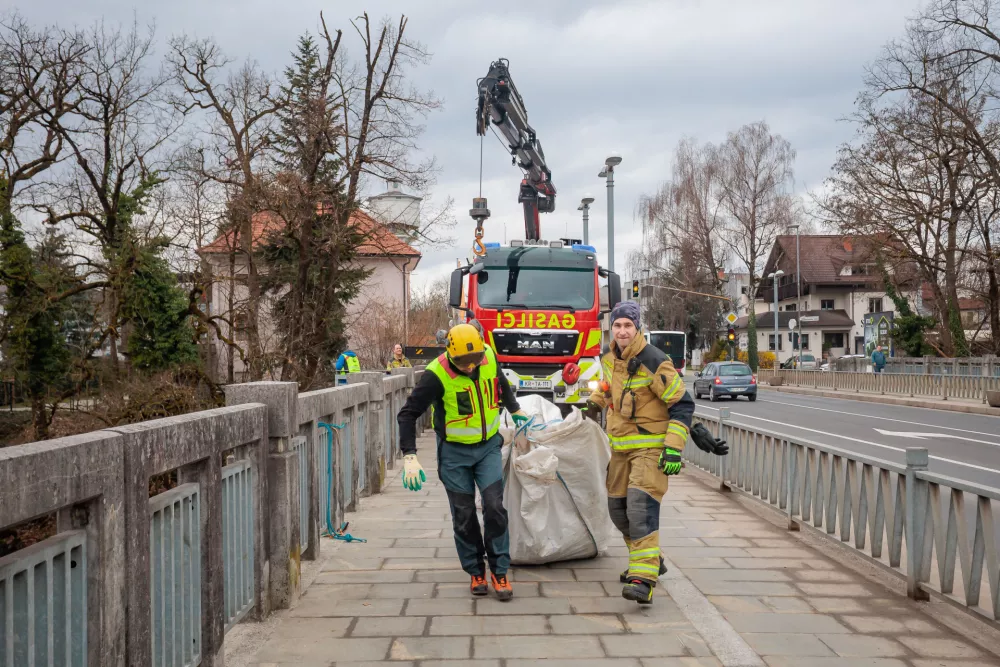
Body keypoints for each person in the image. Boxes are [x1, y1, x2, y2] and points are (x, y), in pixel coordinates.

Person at [588, 302, 726, 605]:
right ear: (612, 329)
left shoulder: (654, 360)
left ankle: (643, 579)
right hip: (621, 449)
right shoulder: (610, 358)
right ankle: (651, 559)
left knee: (640, 508)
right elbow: (609, 387)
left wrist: (674, 450)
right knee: (618, 512)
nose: (623, 331)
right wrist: (590, 405)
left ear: (637, 328)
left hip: (651, 448)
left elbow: (682, 405)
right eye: (618, 325)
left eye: (628, 325)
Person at [396, 323, 529, 600]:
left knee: (494, 507)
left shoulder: (489, 356)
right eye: (463, 363)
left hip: (488, 448)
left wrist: (515, 409)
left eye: (475, 360)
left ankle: (499, 571)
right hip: (454, 454)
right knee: (464, 514)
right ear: (450, 353)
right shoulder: (435, 375)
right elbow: (407, 414)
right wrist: (409, 454)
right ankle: (475, 570)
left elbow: (500, 383)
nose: (470, 367)